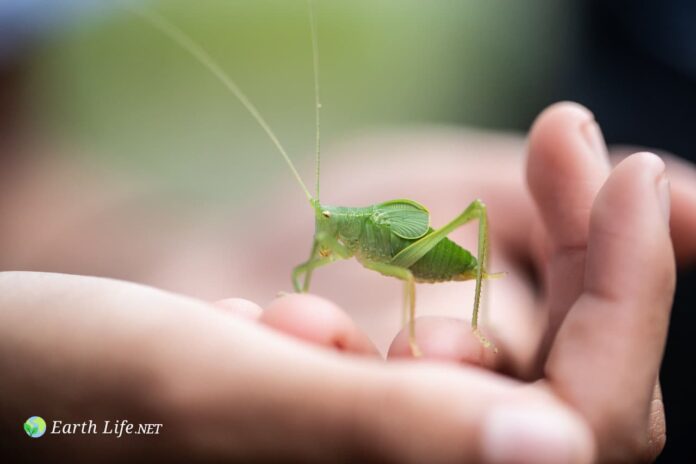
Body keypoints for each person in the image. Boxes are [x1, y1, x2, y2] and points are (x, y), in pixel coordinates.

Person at [3, 100, 696, 463]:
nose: (324, 229)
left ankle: (477, 320)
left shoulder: (364, 233)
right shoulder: (335, 230)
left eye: (327, 220)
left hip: (419, 252)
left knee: (471, 228)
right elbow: (307, 265)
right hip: (396, 245)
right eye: (324, 221)